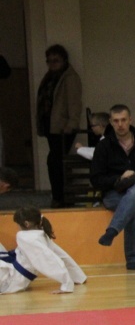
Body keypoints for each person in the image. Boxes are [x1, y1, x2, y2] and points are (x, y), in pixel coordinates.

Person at [90, 104, 135, 270]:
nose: (120, 124)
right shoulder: (104, 146)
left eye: (123, 120)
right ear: (110, 122)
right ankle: (132, 260)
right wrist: (119, 178)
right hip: (114, 193)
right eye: (116, 121)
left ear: (130, 120)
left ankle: (112, 230)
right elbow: (96, 179)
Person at [35, 44, 83, 208]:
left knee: (55, 161)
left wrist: (72, 124)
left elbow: (74, 102)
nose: (52, 64)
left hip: (63, 127)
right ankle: (60, 195)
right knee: (56, 161)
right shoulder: (50, 76)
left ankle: (61, 197)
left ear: (64, 60)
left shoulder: (69, 78)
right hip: (52, 126)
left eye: (56, 60)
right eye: (49, 61)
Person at [0, 206, 86, 294]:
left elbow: (50, 260)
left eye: (18, 224)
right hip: (16, 277)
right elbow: (62, 255)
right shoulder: (41, 234)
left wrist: (67, 284)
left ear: (26, 224)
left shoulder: (25, 237)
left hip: (11, 281)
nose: (17, 227)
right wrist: (78, 276)